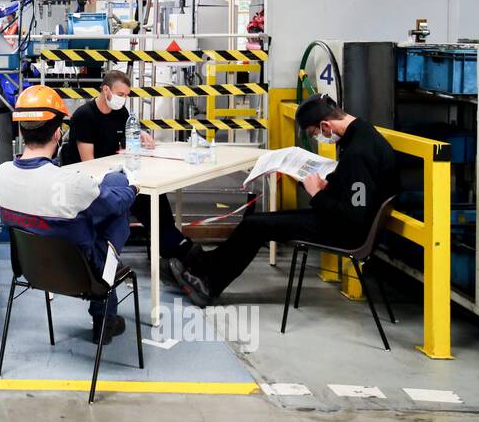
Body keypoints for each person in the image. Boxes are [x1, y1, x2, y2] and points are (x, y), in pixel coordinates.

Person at [170, 93, 399, 306]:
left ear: (325, 125)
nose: (319, 138)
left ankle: (209, 284)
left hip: (348, 232)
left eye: (314, 133)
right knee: (257, 221)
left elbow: (354, 216)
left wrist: (317, 194)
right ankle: (207, 267)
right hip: (337, 217)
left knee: (254, 226)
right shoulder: (363, 133)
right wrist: (331, 185)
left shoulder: (358, 154)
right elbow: (355, 192)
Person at [0, 85, 139, 343]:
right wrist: (133, 188)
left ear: (20, 130)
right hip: (84, 276)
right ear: (58, 133)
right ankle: (104, 316)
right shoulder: (71, 183)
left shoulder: (2, 175)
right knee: (118, 207)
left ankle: (103, 315)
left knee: (83, 216)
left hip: (35, 272)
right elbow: (115, 205)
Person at [61, 69, 195, 264]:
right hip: (91, 181)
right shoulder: (85, 116)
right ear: (106, 90)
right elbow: (88, 164)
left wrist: (140, 135)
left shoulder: (120, 112)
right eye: (120, 95)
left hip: (113, 174)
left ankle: (172, 245)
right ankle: (176, 248)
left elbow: (126, 140)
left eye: (126, 95)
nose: (122, 99)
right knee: (140, 197)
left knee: (156, 197)